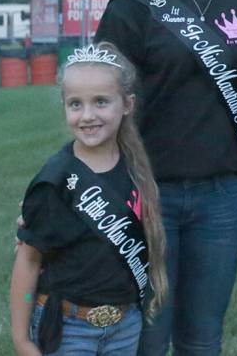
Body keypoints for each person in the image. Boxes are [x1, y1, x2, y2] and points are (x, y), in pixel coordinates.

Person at [95, 0, 237, 355]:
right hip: (148, 193)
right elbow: (100, 101)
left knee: (202, 337)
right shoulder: (133, 4)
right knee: (147, 335)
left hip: (222, 198)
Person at [10, 42, 167, 356]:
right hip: (68, 328)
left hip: (125, 324)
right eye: (75, 104)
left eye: (101, 102)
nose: (88, 115)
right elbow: (28, 262)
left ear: (127, 105)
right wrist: (21, 339)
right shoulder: (54, 180)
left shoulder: (136, 169)